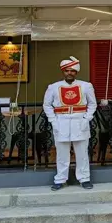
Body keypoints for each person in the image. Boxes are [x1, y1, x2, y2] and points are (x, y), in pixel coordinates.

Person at [43, 56, 101, 191]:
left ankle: (84, 178)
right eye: (67, 70)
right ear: (63, 71)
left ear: (76, 72)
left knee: (82, 153)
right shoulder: (53, 87)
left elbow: (92, 104)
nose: (69, 73)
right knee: (61, 154)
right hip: (61, 121)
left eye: (72, 71)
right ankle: (60, 179)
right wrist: (53, 121)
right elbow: (47, 105)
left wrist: (86, 118)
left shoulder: (86, 86)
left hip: (80, 121)